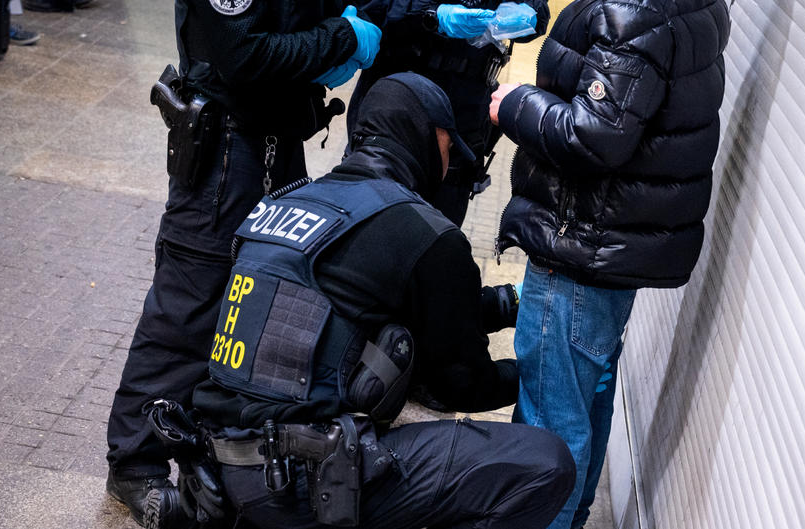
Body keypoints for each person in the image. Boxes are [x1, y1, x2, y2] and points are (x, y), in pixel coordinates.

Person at [175, 72, 575, 529]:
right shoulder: (423, 231)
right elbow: (461, 385)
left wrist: (508, 303)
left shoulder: (293, 201)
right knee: (544, 462)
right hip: (303, 483)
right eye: (449, 150)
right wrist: (535, 376)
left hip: (219, 468)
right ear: (429, 137)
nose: (448, 168)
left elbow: (378, 306)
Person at [104, 0, 382, 526]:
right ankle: (134, 462)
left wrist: (340, 28)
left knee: (259, 305)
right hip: (225, 152)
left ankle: (211, 446)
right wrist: (340, 38)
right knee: (186, 310)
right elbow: (243, 55)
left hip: (276, 145)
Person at [489, 0, 731, 527]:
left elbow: (591, 136)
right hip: (612, 245)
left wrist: (514, 104)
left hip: (580, 245)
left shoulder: (634, 13)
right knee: (585, 402)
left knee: (548, 425)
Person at [347, 0, 550, 226]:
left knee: (438, 232)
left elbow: (538, 16)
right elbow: (364, 8)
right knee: (369, 223)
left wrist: (525, 16)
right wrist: (431, 15)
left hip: (464, 118)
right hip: (395, 105)